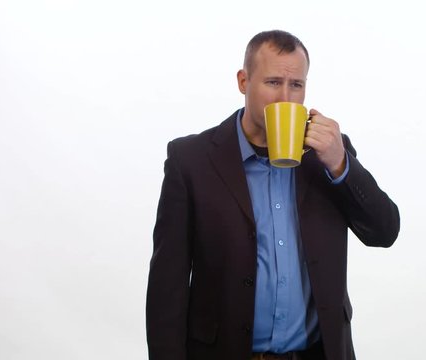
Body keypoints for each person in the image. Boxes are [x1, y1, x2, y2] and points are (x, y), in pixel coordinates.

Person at [146, 30, 400, 360]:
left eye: (296, 85)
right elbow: (168, 288)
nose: (286, 98)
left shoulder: (329, 154)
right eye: (272, 82)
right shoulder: (191, 160)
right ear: (243, 81)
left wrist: (340, 164)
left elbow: (384, 232)